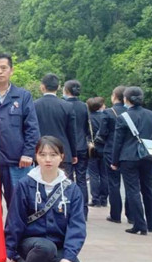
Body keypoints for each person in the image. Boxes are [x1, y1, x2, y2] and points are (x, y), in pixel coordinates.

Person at [4, 136, 86, 262]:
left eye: (53, 155)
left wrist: (69, 257)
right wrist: (9, 251)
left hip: (58, 245)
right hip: (30, 243)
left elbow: (77, 226)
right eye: (42, 154)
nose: (48, 159)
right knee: (45, 248)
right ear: (36, 156)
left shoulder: (72, 189)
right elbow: (15, 220)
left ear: (61, 157)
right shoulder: (25, 184)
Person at [0, 54, 40, 209]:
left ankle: (16, 227)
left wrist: (28, 153)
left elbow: (32, 128)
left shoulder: (23, 96)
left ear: (11, 70)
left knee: (18, 204)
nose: (0, 72)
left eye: (3, 68)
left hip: (17, 161)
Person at [111, 86, 152, 235]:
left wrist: (114, 161)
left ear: (126, 99)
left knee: (133, 190)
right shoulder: (151, 115)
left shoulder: (123, 117)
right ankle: (151, 223)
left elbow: (118, 141)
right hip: (147, 156)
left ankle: (139, 224)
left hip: (128, 157)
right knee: (148, 189)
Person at [94, 86, 127, 224]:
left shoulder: (108, 112)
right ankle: (132, 215)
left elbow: (102, 133)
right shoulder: (129, 111)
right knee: (131, 184)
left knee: (113, 183)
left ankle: (115, 214)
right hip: (128, 151)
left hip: (111, 150)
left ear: (114, 96)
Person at [34, 74, 77, 177]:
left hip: (41, 152)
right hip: (63, 152)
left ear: (42, 86)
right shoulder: (67, 106)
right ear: (58, 87)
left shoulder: (33, 105)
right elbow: (72, 133)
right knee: (64, 183)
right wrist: (73, 153)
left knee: (43, 181)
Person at [63, 80, 90, 218]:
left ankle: (70, 208)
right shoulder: (84, 106)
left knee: (67, 179)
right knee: (81, 179)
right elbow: (86, 127)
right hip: (82, 145)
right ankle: (83, 210)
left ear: (66, 90)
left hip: (68, 146)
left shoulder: (63, 105)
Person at [86, 97, 109, 207]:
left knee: (93, 174)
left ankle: (95, 199)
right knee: (104, 174)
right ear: (100, 106)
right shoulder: (106, 116)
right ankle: (104, 199)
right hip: (105, 147)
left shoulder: (88, 118)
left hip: (92, 148)